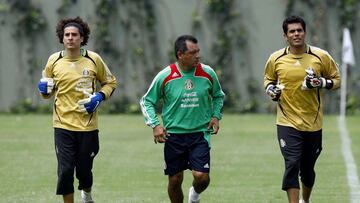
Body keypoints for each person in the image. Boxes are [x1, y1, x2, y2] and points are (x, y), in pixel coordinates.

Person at [37, 16, 117, 203]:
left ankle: (87, 194)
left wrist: (99, 97)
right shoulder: (53, 60)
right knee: (65, 171)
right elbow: (47, 91)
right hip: (62, 124)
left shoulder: (93, 59)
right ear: (62, 38)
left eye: (74, 35)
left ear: (82, 38)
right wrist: (44, 91)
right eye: (67, 35)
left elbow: (110, 82)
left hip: (87, 126)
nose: (70, 38)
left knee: (84, 171)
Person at [263, 15, 340, 203]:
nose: (296, 34)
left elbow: (337, 80)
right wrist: (272, 91)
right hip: (286, 121)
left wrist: (320, 82)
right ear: (285, 36)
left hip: (313, 123)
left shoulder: (320, 56)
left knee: (307, 171)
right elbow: (268, 80)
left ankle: (305, 199)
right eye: (292, 31)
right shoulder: (276, 58)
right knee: (291, 165)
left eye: (299, 30)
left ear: (305, 32)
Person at [140, 35, 225, 203]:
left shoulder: (207, 73)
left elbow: (218, 96)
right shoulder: (165, 75)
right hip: (174, 136)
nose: (197, 56)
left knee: (201, 177)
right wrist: (155, 125)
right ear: (180, 55)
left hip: (200, 134)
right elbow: (146, 101)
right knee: (175, 180)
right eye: (193, 53)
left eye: (198, 51)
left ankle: (195, 194)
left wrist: (216, 116)